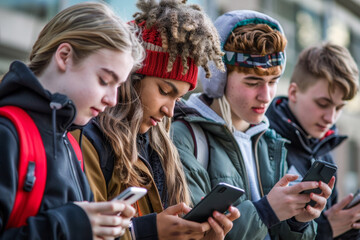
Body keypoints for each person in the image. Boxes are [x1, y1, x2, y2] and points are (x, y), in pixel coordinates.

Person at [72, 0, 240, 240]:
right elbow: (84, 233)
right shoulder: (87, 137)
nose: (170, 111)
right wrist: (148, 231)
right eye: (164, 91)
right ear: (132, 78)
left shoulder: (162, 148)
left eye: (179, 98)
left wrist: (203, 236)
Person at [171, 10, 334, 240]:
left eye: (273, 82)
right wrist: (267, 211)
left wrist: (298, 222)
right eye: (253, 82)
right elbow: (191, 234)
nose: (266, 95)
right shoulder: (183, 136)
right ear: (218, 78)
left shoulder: (271, 141)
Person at [0, 2, 144, 239]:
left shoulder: (71, 143)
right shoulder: (7, 133)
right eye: (104, 80)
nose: (113, 100)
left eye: (118, 86)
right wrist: (72, 226)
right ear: (64, 56)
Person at [266, 42, 360, 240]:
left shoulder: (324, 149)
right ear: (293, 92)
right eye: (323, 104)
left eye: (339, 108)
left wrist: (349, 227)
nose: (331, 118)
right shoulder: (262, 140)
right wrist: (327, 229)